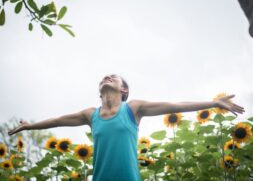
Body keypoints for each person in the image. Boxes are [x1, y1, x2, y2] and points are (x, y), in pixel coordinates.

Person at [8, 74, 245, 181]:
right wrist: (29, 126)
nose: (107, 78)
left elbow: (177, 105)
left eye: (113, 77)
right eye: (104, 78)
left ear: (123, 90)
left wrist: (214, 102)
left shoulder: (133, 109)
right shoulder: (91, 115)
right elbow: (57, 120)